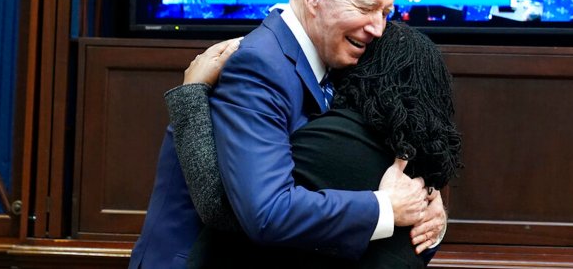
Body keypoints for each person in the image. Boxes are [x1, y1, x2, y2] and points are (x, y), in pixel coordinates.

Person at [128, 0, 445, 269]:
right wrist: (385, 208)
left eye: (386, 12)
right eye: (367, 7)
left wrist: (426, 201)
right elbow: (266, 211)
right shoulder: (259, 65)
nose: (379, 28)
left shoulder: (340, 56)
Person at [178, 21, 462, 268]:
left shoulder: (332, 142)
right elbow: (417, 247)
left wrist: (190, 96)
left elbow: (234, 210)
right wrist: (433, 221)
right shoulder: (423, 164)